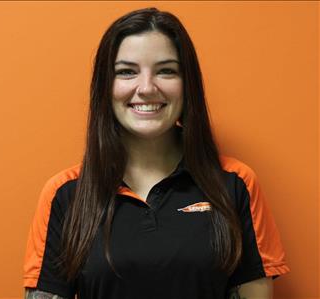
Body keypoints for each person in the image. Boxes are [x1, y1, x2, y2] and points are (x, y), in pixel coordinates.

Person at [23, 7, 290, 299]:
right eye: (127, 72)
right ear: (105, 86)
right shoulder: (64, 194)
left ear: (187, 85)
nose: (147, 88)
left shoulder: (236, 184)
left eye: (166, 71)